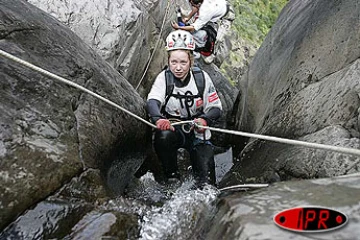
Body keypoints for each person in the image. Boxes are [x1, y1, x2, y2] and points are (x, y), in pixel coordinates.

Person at [146, 30, 222, 187]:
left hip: (198, 131)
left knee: (207, 185)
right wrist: (158, 119)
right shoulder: (164, 78)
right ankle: (172, 177)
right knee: (163, 136)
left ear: (191, 61)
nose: (178, 68)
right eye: (174, 62)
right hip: (174, 128)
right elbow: (152, 102)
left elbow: (216, 108)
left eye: (183, 62)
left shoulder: (202, 78)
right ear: (168, 61)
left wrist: (205, 120)